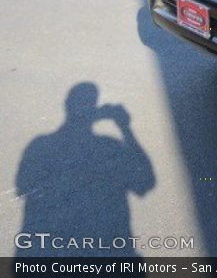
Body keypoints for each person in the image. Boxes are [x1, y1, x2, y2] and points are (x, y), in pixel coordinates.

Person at [16, 83, 154, 256]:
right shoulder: (110, 146)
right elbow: (145, 182)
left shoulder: (40, 146)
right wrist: (125, 128)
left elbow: (24, 187)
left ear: (67, 104)